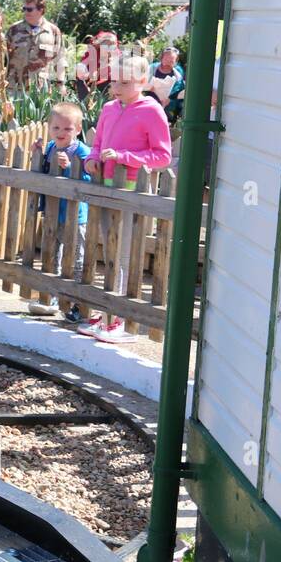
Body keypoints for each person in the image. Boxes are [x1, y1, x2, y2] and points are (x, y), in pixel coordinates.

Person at [78, 55, 172, 344]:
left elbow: (163, 156)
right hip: (106, 188)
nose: (116, 86)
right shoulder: (108, 108)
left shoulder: (152, 110)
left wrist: (124, 158)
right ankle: (105, 310)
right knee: (108, 249)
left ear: (143, 82)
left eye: (125, 82)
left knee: (123, 254)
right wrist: (92, 159)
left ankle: (117, 317)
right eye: (114, 80)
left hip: (132, 192)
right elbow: (97, 143)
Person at [27, 102, 91, 324]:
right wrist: (37, 154)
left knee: (76, 259)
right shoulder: (52, 149)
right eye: (56, 128)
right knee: (53, 255)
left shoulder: (83, 152)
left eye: (67, 129)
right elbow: (44, 172)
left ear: (78, 130)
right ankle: (53, 298)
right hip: (53, 215)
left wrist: (71, 168)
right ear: (49, 128)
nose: (61, 133)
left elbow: (90, 181)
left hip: (76, 217)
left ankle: (76, 302)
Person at [6, 0, 66, 92]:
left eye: (29, 9)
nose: (26, 12)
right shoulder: (14, 30)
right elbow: (3, 58)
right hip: (16, 87)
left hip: (41, 88)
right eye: (24, 9)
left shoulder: (53, 32)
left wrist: (61, 84)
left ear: (41, 10)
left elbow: (60, 59)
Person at [73, 30, 120, 101]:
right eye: (106, 45)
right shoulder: (93, 51)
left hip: (105, 82)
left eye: (112, 45)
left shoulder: (116, 54)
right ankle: (84, 103)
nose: (109, 48)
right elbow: (82, 66)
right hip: (88, 80)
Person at [145, 46, 185, 126]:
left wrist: (170, 101)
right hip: (148, 105)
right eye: (166, 60)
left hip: (168, 109)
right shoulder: (151, 68)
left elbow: (179, 91)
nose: (167, 63)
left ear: (176, 62)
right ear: (161, 58)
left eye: (171, 61)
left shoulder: (178, 73)